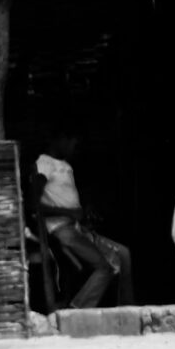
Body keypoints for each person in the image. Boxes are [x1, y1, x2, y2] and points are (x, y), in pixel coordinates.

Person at [31, 126, 134, 308]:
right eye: (72, 143)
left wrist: (81, 214)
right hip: (61, 230)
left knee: (123, 254)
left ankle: (126, 307)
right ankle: (77, 311)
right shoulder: (44, 164)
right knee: (104, 268)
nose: (73, 148)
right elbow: (35, 205)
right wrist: (69, 213)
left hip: (77, 228)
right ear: (60, 139)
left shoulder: (66, 166)